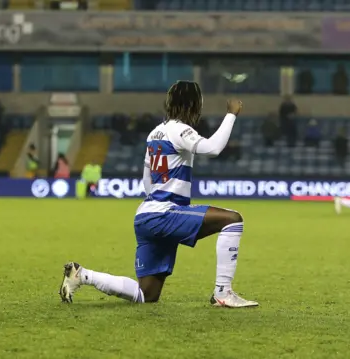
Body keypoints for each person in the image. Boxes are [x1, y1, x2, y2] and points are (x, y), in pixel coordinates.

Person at [59, 80, 258, 308]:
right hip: (164, 214)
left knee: (147, 295)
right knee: (232, 220)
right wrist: (231, 114)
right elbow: (212, 148)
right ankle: (223, 293)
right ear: (193, 104)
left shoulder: (155, 133)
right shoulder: (181, 130)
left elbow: (147, 181)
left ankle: (82, 275)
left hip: (146, 216)